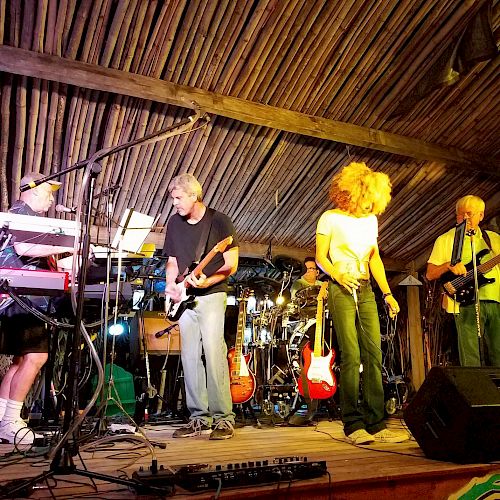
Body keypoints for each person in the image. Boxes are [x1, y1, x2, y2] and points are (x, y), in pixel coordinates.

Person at [316, 162, 409, 445]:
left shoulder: (371, 221)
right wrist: (338, 274)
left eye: (374, 201)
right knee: (351, 355)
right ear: (353, 193)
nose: (371, 206)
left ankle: (376, 422)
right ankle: (353, 423)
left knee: (374, 354)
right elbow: (321, 257)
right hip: (341, 287)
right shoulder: (330, 218)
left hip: (367, 288)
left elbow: (374, 258)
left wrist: (388, 293)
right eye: (366, 199)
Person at [164, 173, 238, 440]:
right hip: (184, 298)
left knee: (214, 351)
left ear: (194, 196)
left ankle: (223, 418)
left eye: (178, 198)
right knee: (190, 356)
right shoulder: (174, 223)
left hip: (212, 294)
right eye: (173, 198)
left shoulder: (219, 221)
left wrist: (208, 281)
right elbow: (172, 260)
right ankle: (199, 417)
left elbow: (231, 264)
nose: (174, 203)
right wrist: (171, 284)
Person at [0, 172, 70, 445]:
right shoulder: (21, 213)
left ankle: (3, 420)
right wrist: (69, 246)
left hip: (22, 298)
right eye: (49, 192)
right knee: (36, 357)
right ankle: (11, 422)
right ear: (34, 190)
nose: (52, 200)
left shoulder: (27, 216)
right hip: (22, 299)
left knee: (21, 360)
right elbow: (25, 247)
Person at [426, 195, 500, 367]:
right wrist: (448, 266)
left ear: (481, 215)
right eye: (460, 215)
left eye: (469, 213)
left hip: (495, 300)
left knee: (498, 354)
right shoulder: (446, 239)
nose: (465, 218)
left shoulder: (493, 239)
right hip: (465, 302)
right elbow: (430, 274)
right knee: (471, 358)